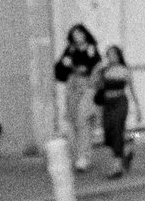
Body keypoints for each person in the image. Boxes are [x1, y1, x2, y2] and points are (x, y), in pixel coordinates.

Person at [52, 25, 101, 171]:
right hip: (72, 84)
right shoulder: (70, 49)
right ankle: (77, 155)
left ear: (85, 34)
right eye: (74, 34)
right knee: (72, 120)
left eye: (79, 33)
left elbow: (95, 66)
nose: (77, 36)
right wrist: (65, 65)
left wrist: (90, 77)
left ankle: (84, 157)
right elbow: (60, 68)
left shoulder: (91, 49)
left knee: (83, 119)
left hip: (86, 86)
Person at [93, 44, 135, 177]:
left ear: (119, 56)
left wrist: (138, 108)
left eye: (114, 54)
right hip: (107, 103)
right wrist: (98, 70)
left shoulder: (124, 70)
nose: (111, 57)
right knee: (108, 134)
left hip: (120, 102)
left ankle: (117, 167)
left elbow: (132, 89)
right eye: (109, 55)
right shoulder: (105, 70)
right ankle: (125, 153)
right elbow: (94, 84)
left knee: (117, 130)